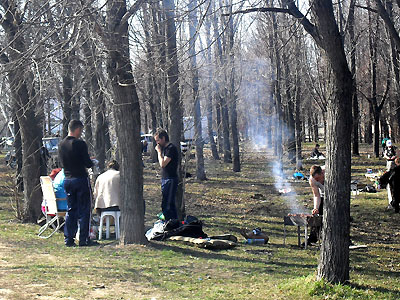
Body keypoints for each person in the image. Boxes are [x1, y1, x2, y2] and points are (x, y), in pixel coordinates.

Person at [58, 120, 95, 247]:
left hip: (67, 179)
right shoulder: (80, 144)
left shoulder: (62, 144)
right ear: (78, 129)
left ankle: (69, 238)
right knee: (85, 210)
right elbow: (87, 163)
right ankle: (84, 239)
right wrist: (92, 161)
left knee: (71, 209)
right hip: (80, 179)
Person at [154, 128, 179, 221]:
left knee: (168, 205)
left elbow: (163, 164)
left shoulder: (170, 148)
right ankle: (169, 222)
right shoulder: (165, 148)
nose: (157, 143)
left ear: (163, 138)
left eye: (158, 140)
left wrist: (159, 152)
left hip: (171, 179)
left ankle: (172, 222)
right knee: (165, 203)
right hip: (165, 179)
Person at [308, 165, 325, 244]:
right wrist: (316, 208)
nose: (318, 181)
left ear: (322, 173)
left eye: (318, 179)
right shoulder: (312, 180)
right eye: (316, 179)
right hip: (322, 196)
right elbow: (316, 195)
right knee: (317, 216)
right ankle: (313, 239)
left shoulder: (328, 171)